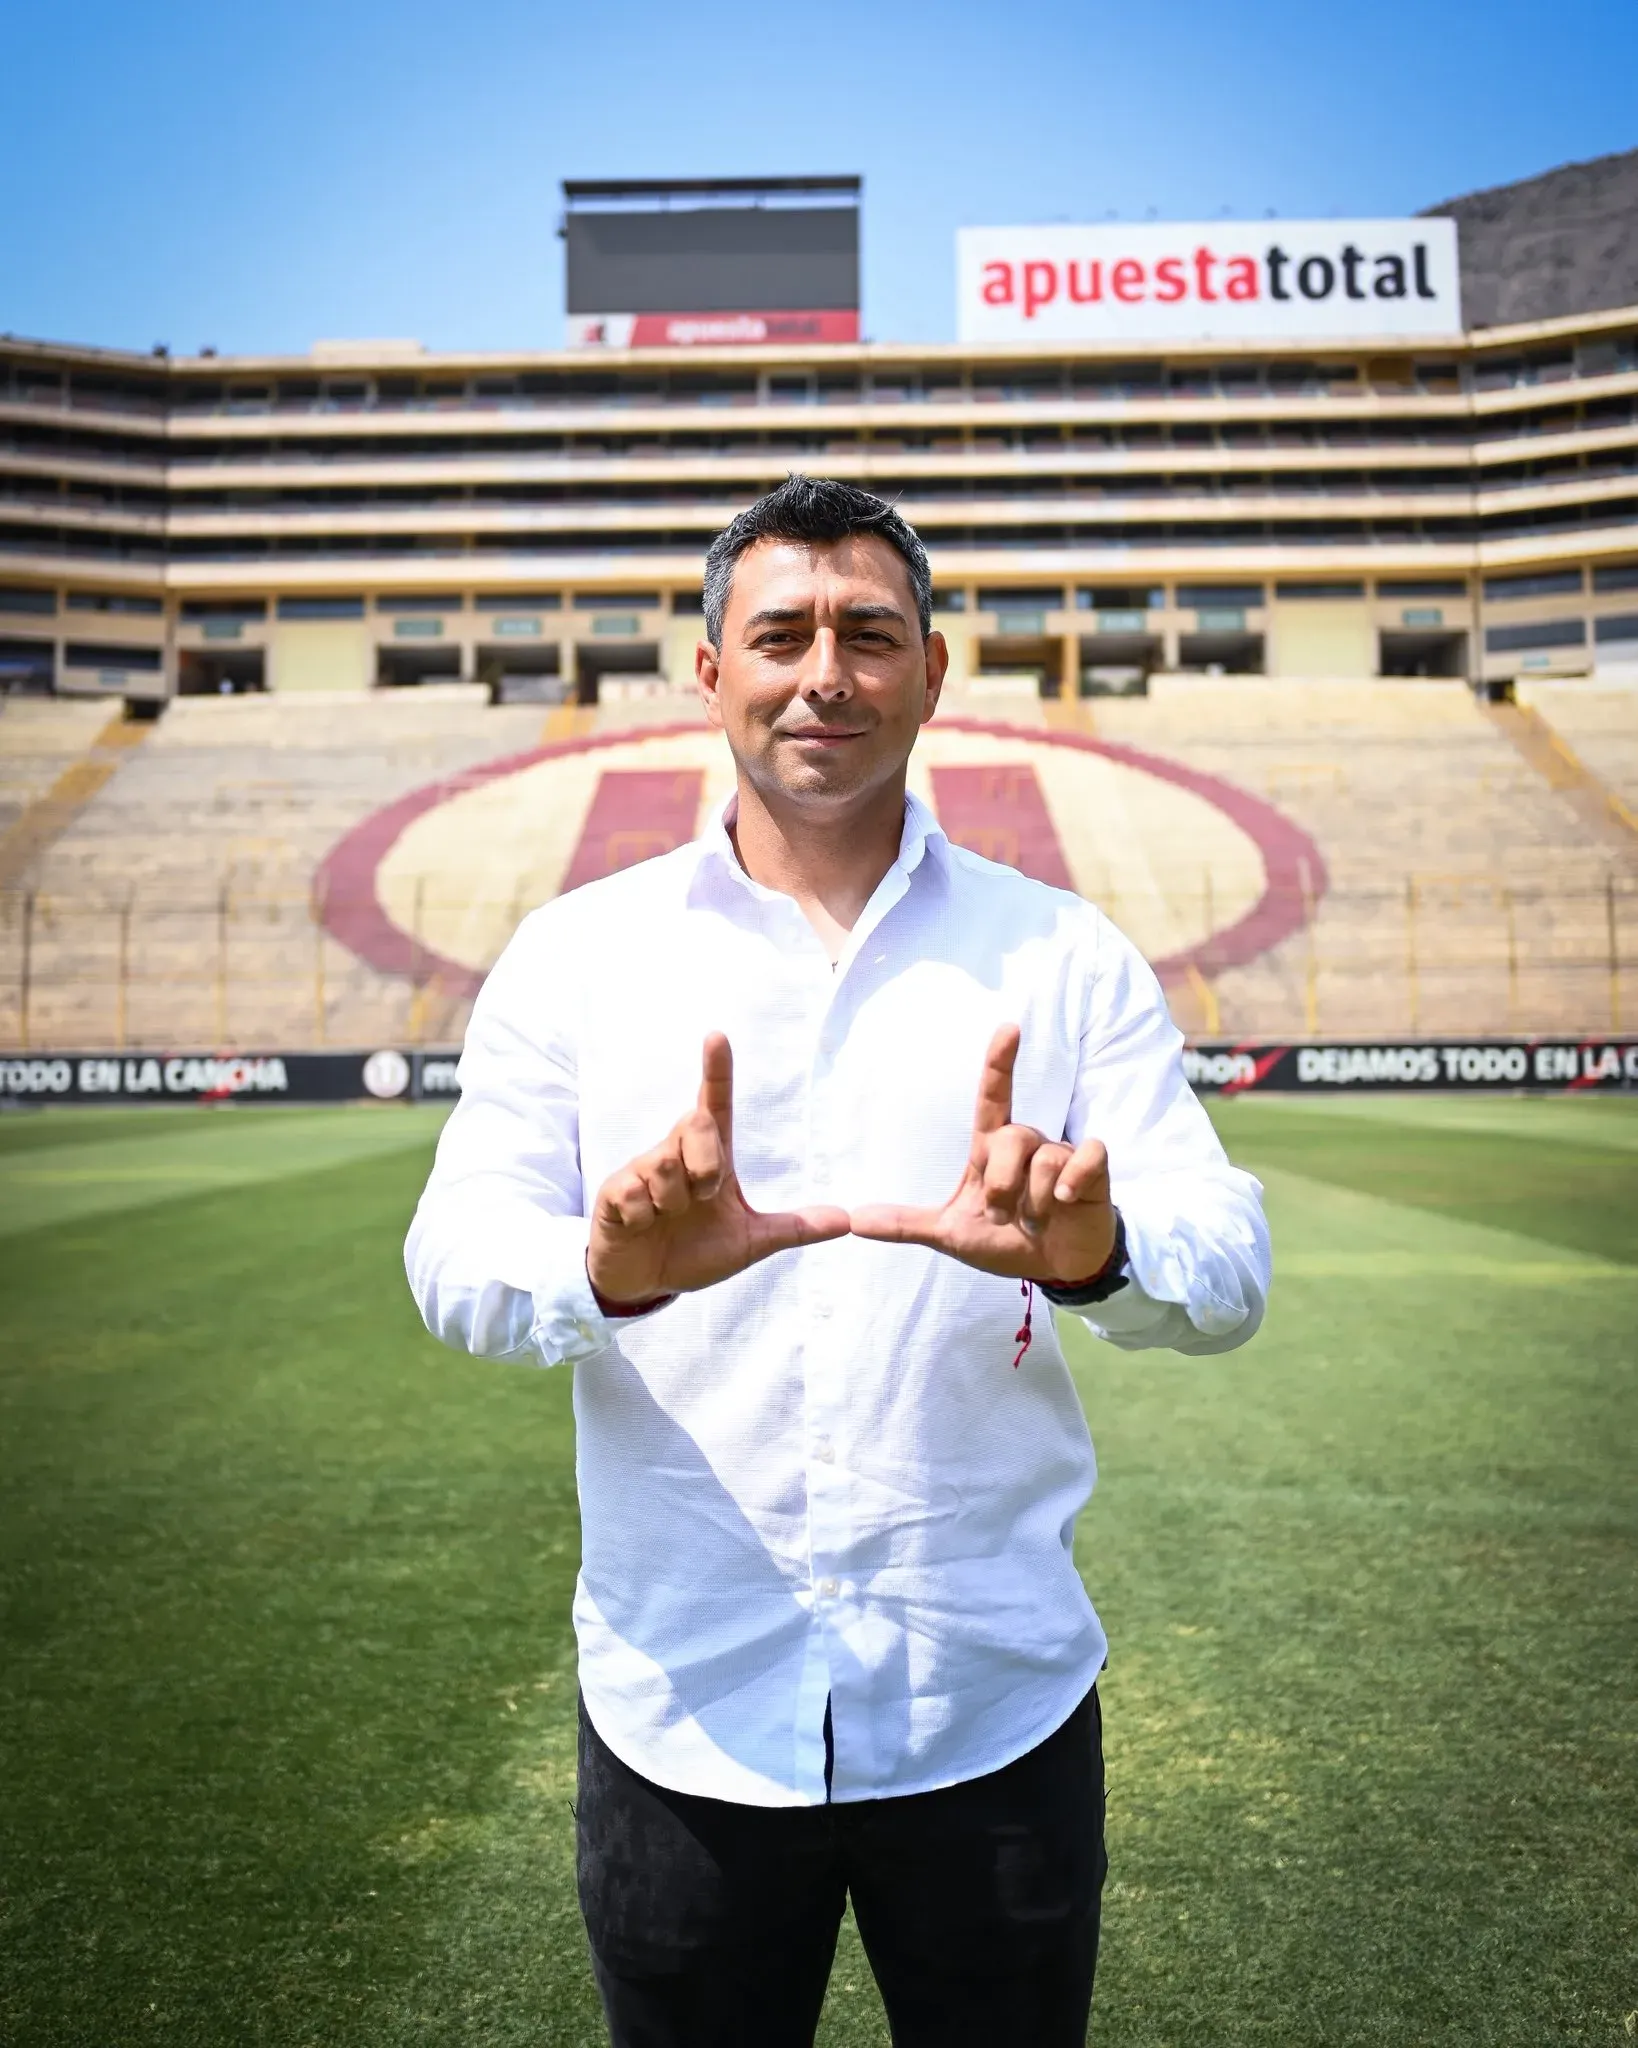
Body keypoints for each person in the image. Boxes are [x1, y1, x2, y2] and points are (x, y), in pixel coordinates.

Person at [406, 475, 1269, 2047]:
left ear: (932, 672)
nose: (825, 674)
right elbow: (455, 1256)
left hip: (989, 1700)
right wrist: (606, 1269)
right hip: (683, 1707)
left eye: (869, 635)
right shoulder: (580, 956)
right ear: (709, 671)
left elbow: (1223, 1263)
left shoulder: (1060, 955)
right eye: (781, 635)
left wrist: (1101, 1256)